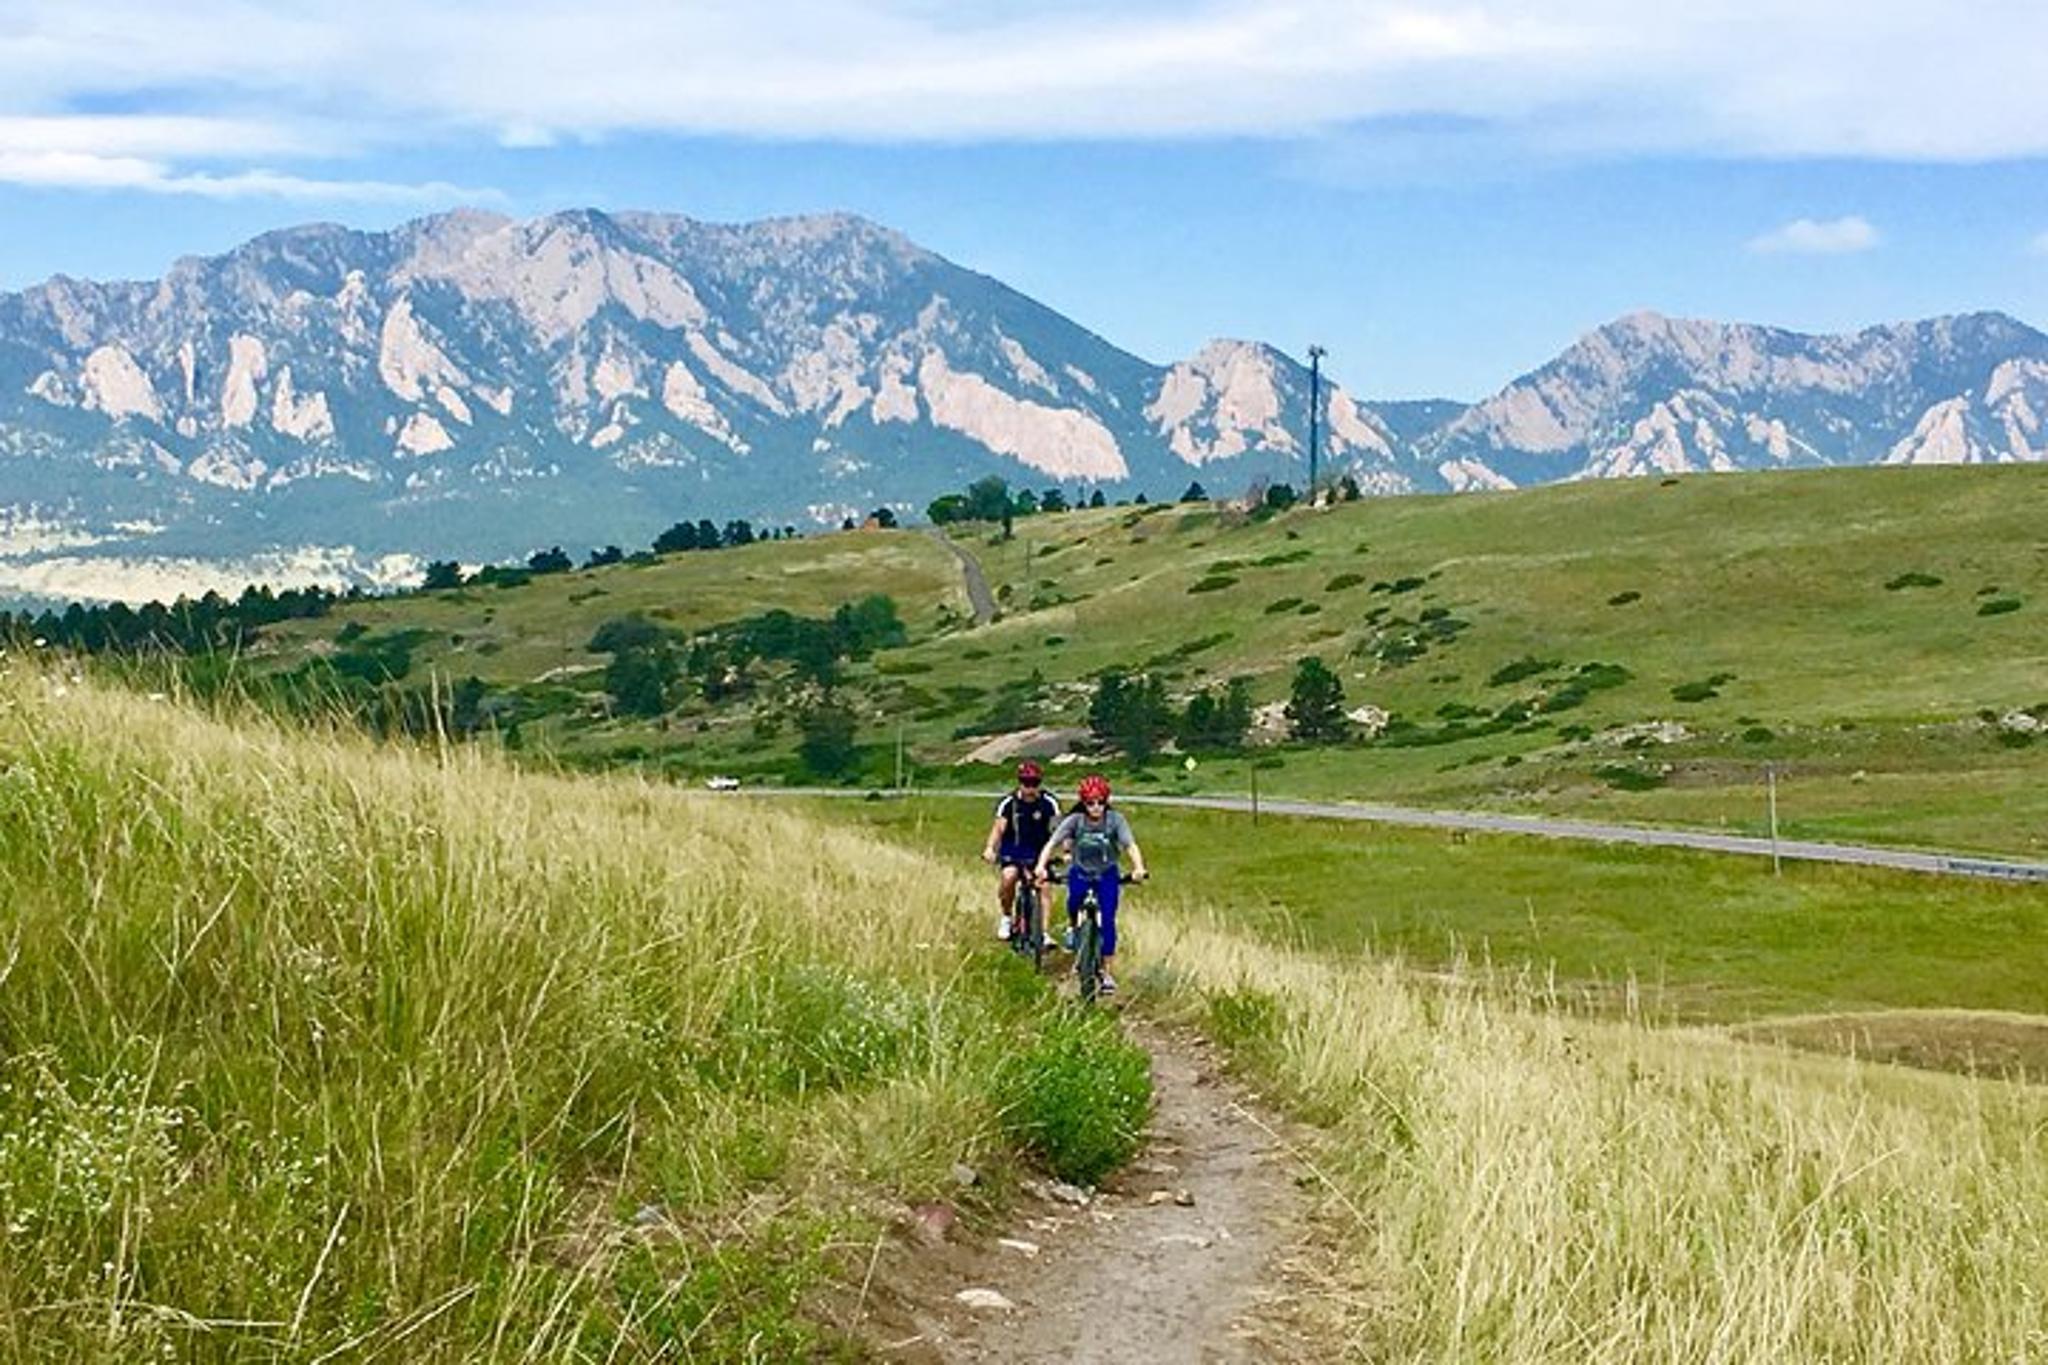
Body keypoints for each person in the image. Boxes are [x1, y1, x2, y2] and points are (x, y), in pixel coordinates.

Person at [1034, 774, 1148, 995]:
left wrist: (1138, 868)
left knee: (1107, 920)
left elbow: (1130, 845)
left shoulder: (1115, 820)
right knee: (1074, 902)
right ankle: (1074, 928)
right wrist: (1040, 865)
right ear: (1083, 803)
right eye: (1090, 803)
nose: (1096, 808)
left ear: (1106, 801)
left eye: (1100, 802)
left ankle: (1106, 971)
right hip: (1081, 872)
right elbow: (1052, 843)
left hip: (1107, 874)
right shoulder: (1075, 821)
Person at [982, 760, 1060, 944]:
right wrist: (990, 849)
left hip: (1039, 852)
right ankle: (1007, 917)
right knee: (1009, 876)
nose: (1030, 788)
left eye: (1034, 783)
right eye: (1026, 783)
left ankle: (1044, 932)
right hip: (1014, 849)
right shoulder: (1009, 803)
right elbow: (998, 829)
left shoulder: (1049, 803)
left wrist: (1065, 851)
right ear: (1020, 783)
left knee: (1044, 886)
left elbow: (1059, 830)